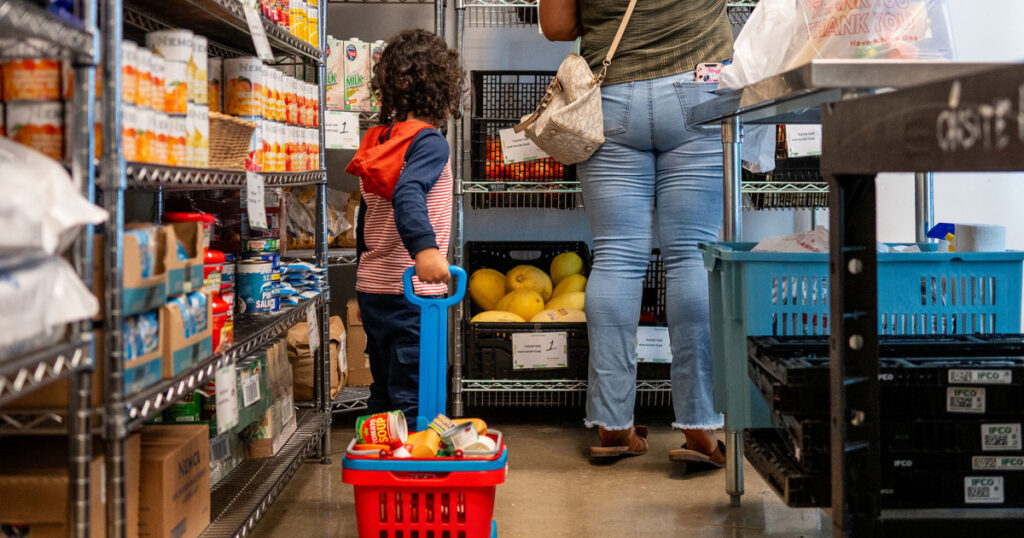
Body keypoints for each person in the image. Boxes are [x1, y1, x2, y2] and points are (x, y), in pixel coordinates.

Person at [539, 0, 732, 465]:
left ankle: (613, 425)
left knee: (617, 258)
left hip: (613, 92)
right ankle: (700, 425)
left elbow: (557, 25)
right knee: (692, 256)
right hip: (700, 85)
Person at [345, 29, 465, 419]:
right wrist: (426, 252)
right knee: (416, 392)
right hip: (412, 290)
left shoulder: (378, 139)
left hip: (375, 290)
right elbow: (408, 194)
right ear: (443, 88)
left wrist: (363, 284)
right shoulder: (428, 142)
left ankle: (382, 464)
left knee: (382, 390)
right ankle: (415, 472)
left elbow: (366, 215)